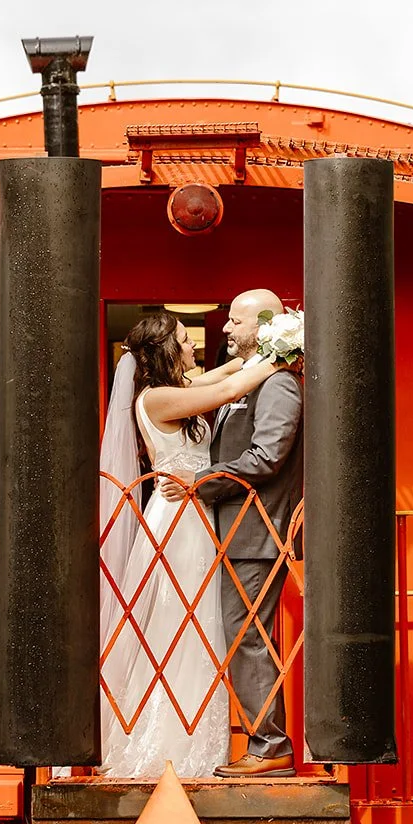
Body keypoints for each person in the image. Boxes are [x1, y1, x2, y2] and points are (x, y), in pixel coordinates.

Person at [99, 312, 284, 778]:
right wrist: (287, 353)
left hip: (196, 515)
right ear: (165, 350)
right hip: (177, 521)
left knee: (202, 626)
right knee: (174, 625)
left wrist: (267, 350)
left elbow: (225, 374)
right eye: (185, 341)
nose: (194, 348)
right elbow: (225, 390)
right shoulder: (156, 398)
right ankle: (166, 745)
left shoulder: (176, 390)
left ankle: (198, 740)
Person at [159, 289, 302, 778]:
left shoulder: (278, 385)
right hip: (236, 531)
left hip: (257, 532)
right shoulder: (249, 380)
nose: (224, 329)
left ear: (264, 325)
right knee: (242, 635)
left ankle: (271, 747)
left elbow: (266, 457)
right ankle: (265, 742)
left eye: (235, 322)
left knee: (248, 636)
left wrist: (199, 483)